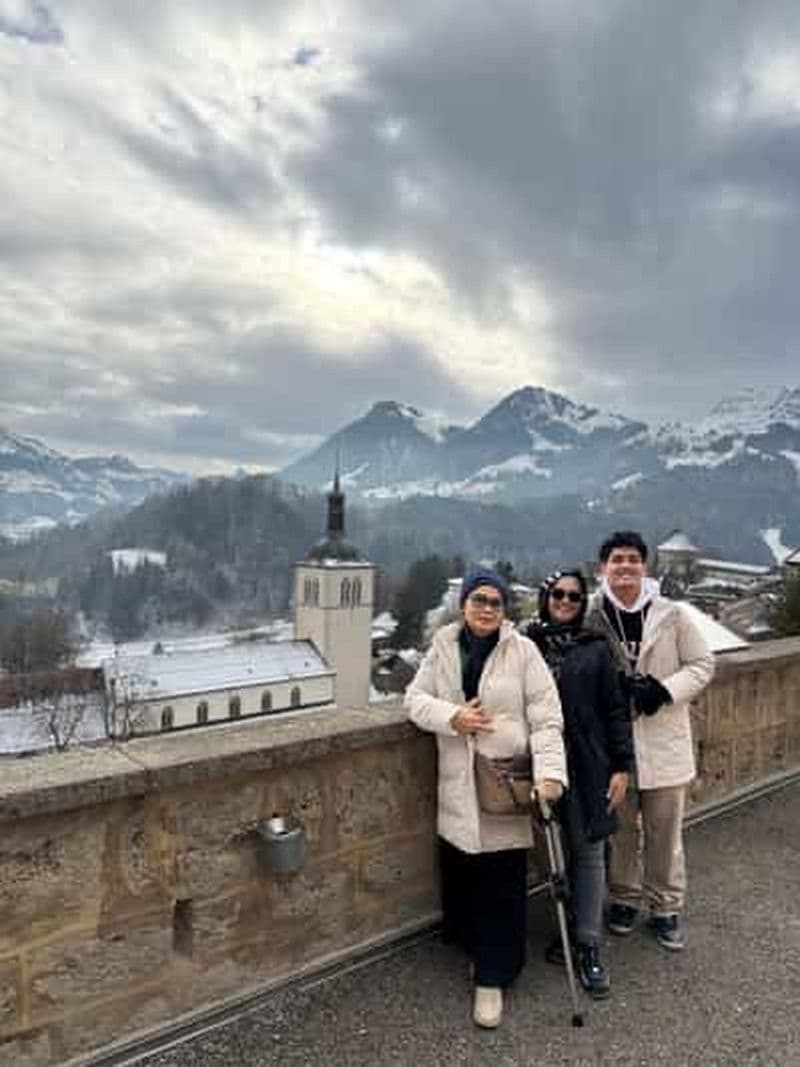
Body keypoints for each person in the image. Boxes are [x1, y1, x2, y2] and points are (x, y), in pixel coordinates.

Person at [405, 567, 567, 1029]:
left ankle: (493, 978)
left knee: (500, 883)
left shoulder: (523, 652)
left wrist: (552, 776)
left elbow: (547, 719)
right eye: (479, 599)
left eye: (495, 602)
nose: (487, 609)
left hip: (502, 784)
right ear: (463, 604)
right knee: (463, 874)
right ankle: (472, 947)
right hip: (457, 786)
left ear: (505, 609)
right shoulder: (442, 647)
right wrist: (452, 716)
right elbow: (413, 702)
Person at [585, 531, 714, 950]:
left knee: (665, 834)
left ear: (645, 566)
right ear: (602, 567)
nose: (625, 566)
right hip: (615, 749)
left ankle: (665, 907)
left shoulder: (671, 614)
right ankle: (623, 899)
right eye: (616, 559)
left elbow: (702, 664)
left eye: (633, 559)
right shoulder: (591, 614)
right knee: (619, 832)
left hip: (665, 744)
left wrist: (663, 691)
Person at [525, 568, 633, 998]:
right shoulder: (525, 644)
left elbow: (615, 711)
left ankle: (588, 945)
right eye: (558, 594)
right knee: (551, 858)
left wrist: (622, 767)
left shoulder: (595, 649)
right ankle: (566, 931)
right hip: (540, 767)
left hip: (589, 767)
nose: (566, 602)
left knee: (588, 853)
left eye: (574, 596)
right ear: (545, 597)